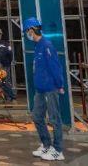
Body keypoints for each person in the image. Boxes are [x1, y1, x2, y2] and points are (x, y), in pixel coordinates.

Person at [24, 18, 65, 162]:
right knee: (37, 116)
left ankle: (58, 150)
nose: (27, 35)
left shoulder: (47, 45)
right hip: (40, 89)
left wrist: (60, 85)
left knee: (54, 118)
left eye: (27, 31)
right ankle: (46, 145)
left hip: (50, 88)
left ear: (31, 30)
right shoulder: (37, 46)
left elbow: (55, 67)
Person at [0, 27, 16, 101]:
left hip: (5, 66)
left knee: (6, 81)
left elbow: (10, 55)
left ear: (1, 35)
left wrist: (7, 63)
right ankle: (4, 97)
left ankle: (11, 96)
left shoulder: (6, 44)